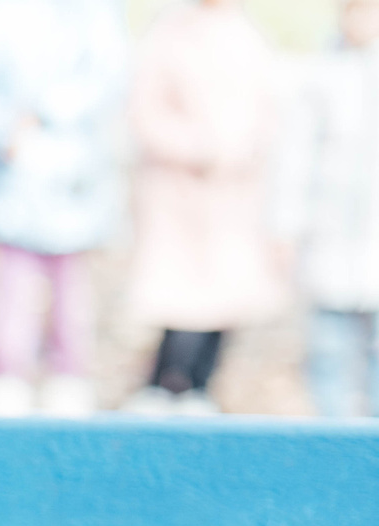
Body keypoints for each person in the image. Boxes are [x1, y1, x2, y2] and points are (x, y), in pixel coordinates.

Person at [0, 0, 125, 414]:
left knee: (71, 285)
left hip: (74, 167)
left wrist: (51, 109)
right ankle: (8, 371)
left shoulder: (95, 14)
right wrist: (1, 132)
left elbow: (108, 76)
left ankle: (69, 371)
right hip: (15, 166)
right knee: (14, 280)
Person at [123, 0, 284, 413]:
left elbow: (267, 111)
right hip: (178, 196)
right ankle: (167, 384)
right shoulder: (170, 34)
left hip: (231, 198)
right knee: (179, 303)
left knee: (223, 301)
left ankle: (200, 386)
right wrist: (198, 149)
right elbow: (146, 112)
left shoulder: (248, 37)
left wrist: (242, 151)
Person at [279, 0, 379, 415]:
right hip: (330, 235)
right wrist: (285, 226)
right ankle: (332, 431)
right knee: (328, 347)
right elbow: (293, 158)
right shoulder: (322, 74)